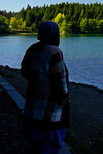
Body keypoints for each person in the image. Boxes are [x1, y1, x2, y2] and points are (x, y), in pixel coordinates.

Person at [21, 21, 70, 154]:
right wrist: (64, 99)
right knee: (49, 143)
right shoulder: (55, 52)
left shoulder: (32, 49)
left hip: (33, 103)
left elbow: (24, 70)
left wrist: (37, 82)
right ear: (54, 34)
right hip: (50, 106)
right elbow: (60, 80)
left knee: (34, 141)